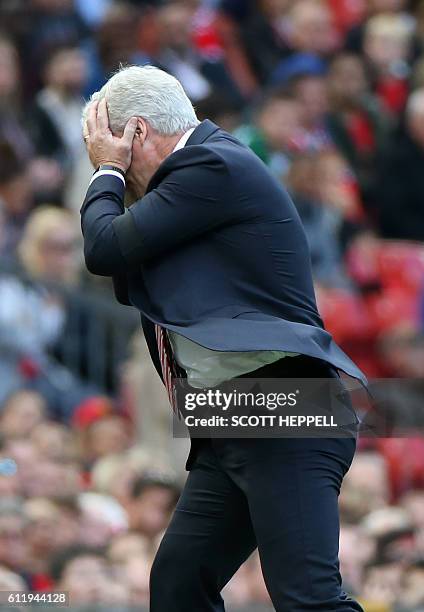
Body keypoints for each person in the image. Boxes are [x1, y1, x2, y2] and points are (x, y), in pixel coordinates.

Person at [80, 65, 365, 611]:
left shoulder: (210, 162)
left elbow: (103, 249)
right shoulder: (196, 181)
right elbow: (123, 265)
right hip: (234, 415)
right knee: (178, 586)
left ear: (136, 133)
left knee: (309, 599)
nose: (103, 155)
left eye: (108, 142)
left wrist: (107, 172)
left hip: (284, 410)